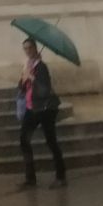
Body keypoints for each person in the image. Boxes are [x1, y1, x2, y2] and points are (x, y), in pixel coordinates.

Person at [17, 37, 66, 189]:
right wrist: (23, 78)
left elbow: (45, 89)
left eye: (29, 48)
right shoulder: (28, 65)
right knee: (24, 139)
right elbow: (22, 89)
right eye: (25, 48)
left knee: (51, 141)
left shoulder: (42, 67)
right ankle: (30, 179)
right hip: (32, 108)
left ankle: (61, 176)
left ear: (35, 48)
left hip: (46, 109)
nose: (27, 51)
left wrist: (32, 77)